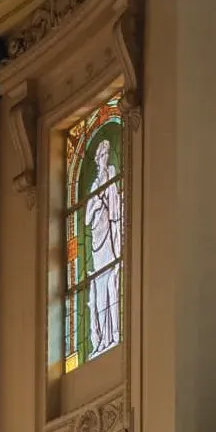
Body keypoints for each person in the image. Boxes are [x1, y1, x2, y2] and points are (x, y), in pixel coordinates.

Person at [83, 133, 123, 357]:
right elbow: (87, 218)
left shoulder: (112, 175)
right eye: (103, 154)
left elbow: (116, 209)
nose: (106, 157)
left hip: (111, 239)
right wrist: (97, 202)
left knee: (112, 286)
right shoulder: (94, 185)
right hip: (97, 245)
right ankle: (100, 340)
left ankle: (115, 334)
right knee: (99, 291)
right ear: (97, 159)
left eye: (108, 153)